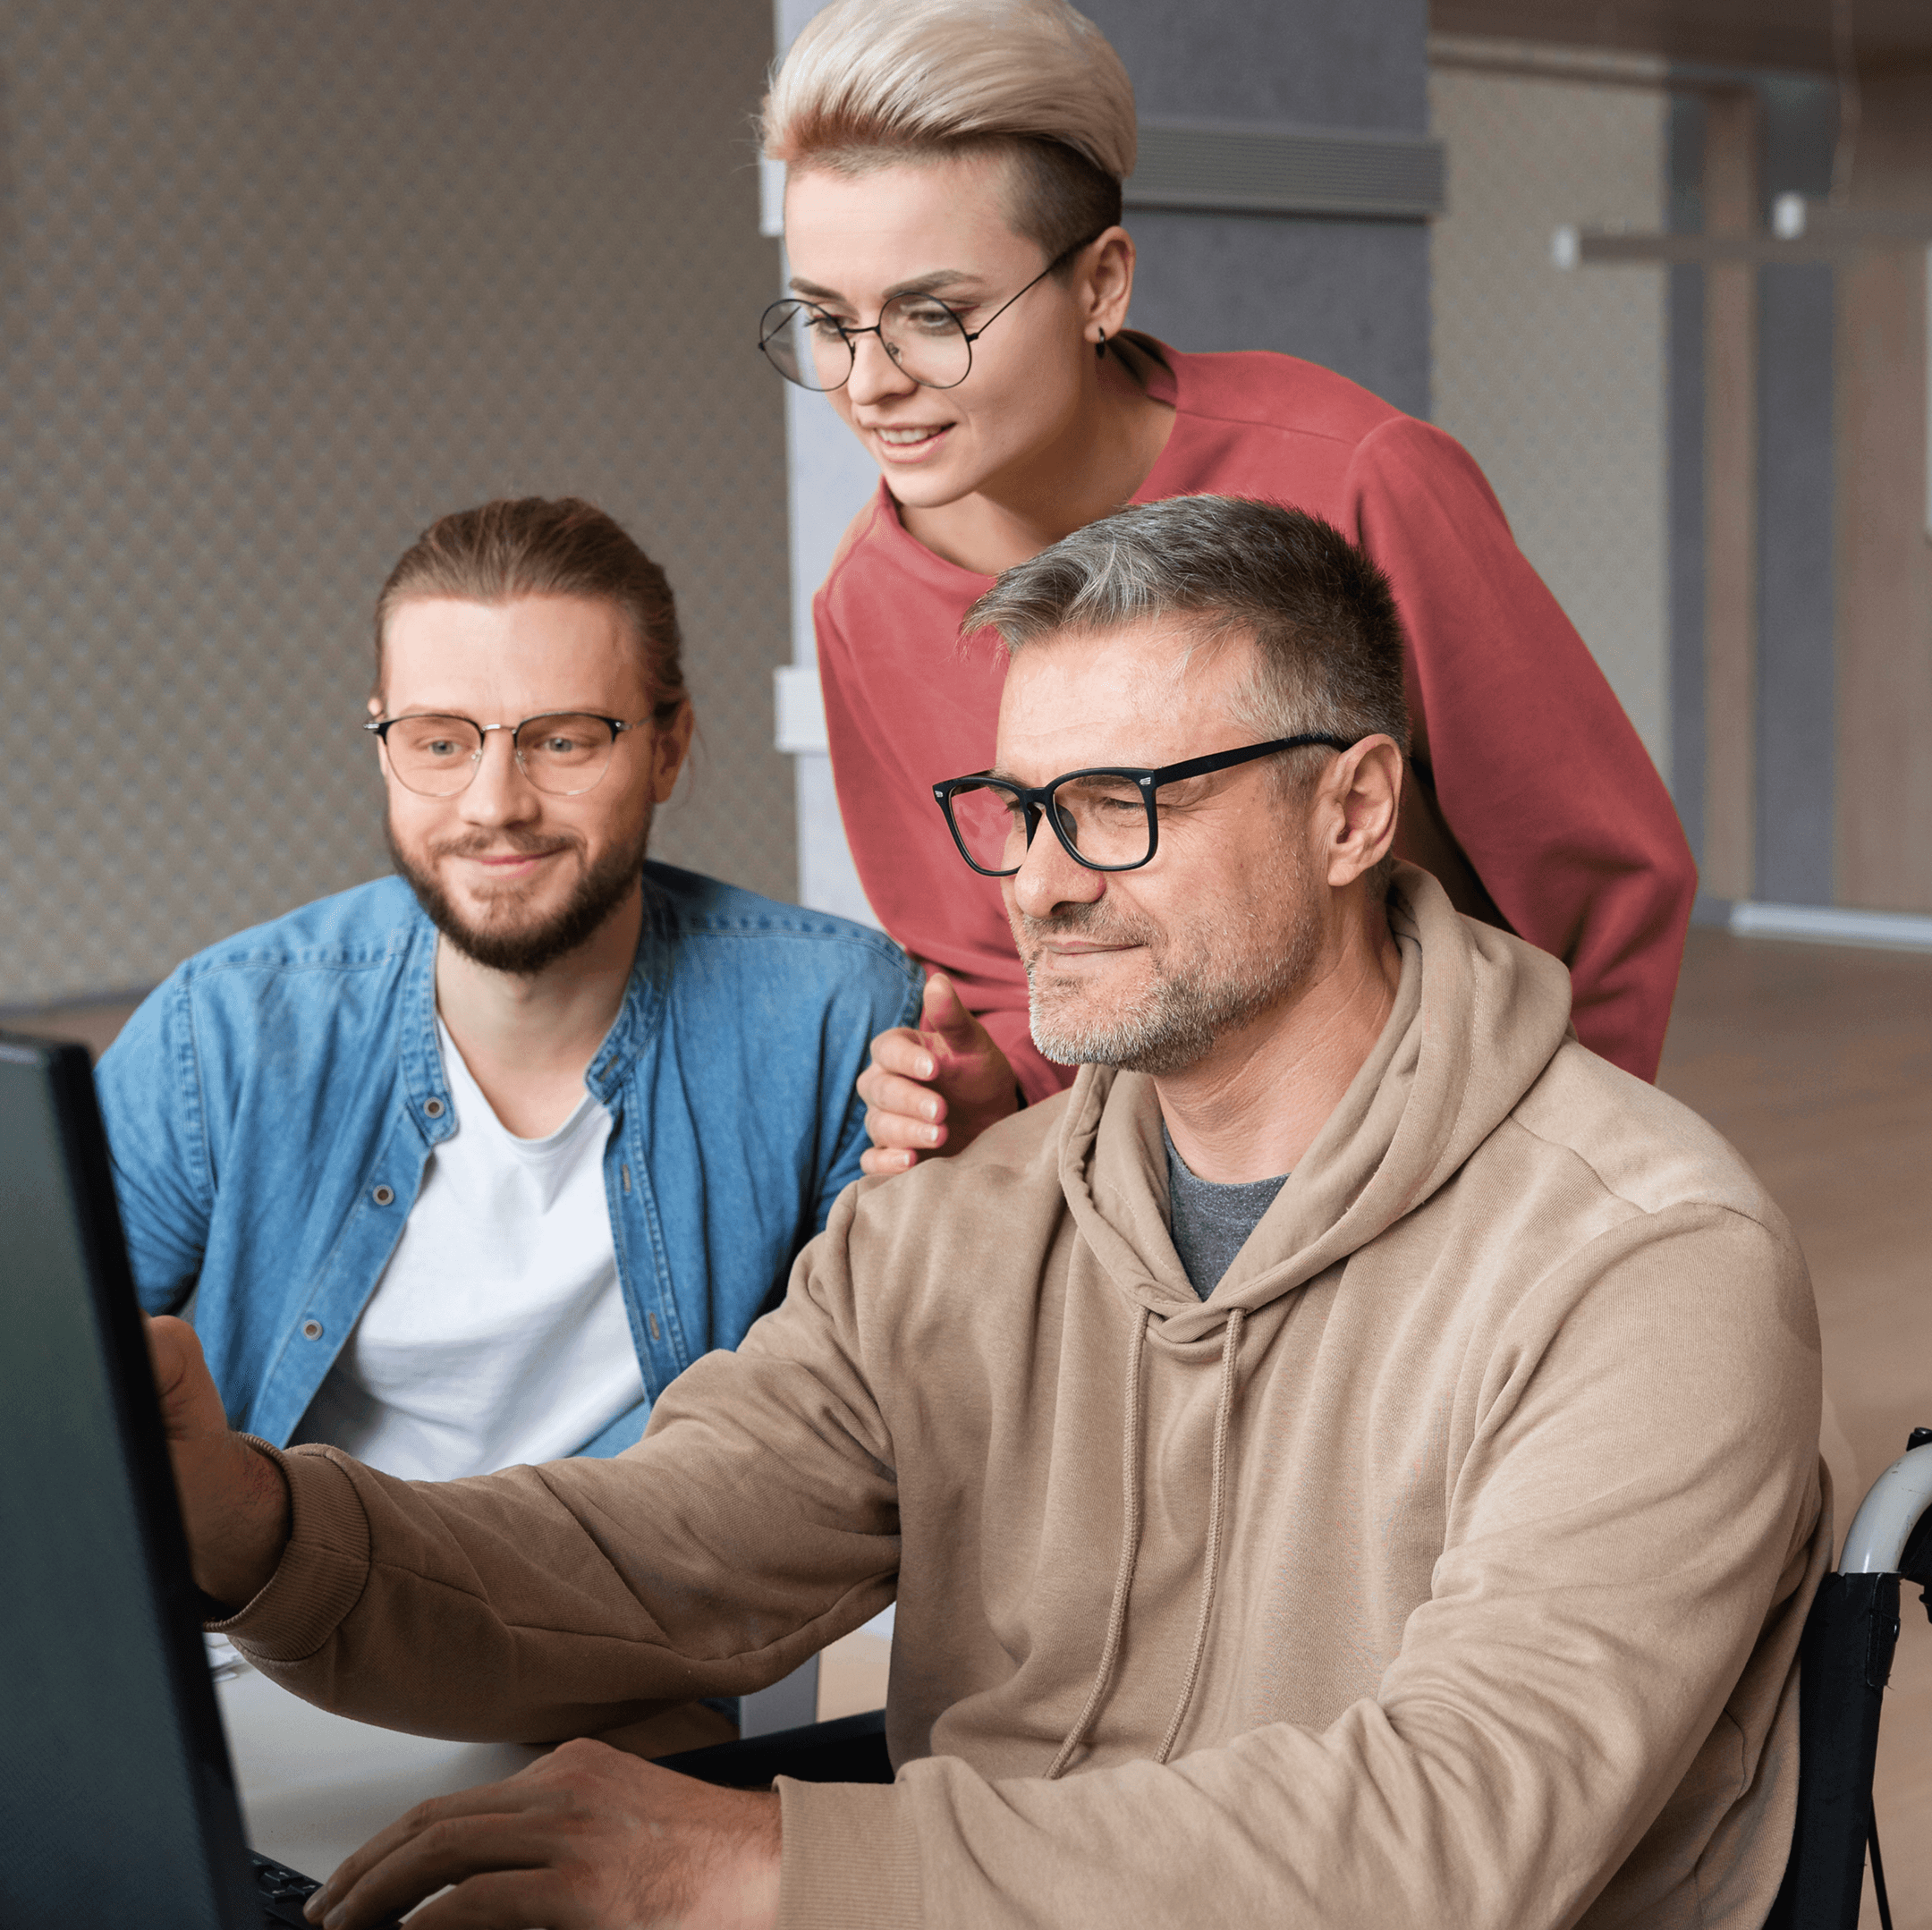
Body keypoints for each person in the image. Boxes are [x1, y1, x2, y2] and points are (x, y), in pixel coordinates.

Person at [152, 498, 1821, 1930]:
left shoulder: (1646, 1259)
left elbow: (1449, 1829)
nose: (1036, 882)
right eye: (1017, 807)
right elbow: (656, 1555)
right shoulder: (964, 1230)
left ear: (1354, 811)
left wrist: (779, 1867)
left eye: (1118, 801)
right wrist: (252, 1523)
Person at [751, 0, 1697, 1175]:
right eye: (826, 320)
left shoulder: (1363, 476)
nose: (870, 382)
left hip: (1464, 1160)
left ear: (1099, 285)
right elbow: (1012, 983)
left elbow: (1603, 883)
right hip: (1160, 1216)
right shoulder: (864, 607)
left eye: (935, 315)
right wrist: (992, 1086)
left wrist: (1557, 1189)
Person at [103, 495, 921, 1479]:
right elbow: (44, 1375)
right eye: (441, 742)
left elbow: (873, 1426)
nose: (496, 804)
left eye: (564, 740)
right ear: (384, 745)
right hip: (278, 1622)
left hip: (639, 1623)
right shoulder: (223, 1030)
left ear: (667, 748)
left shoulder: (837, 1015)